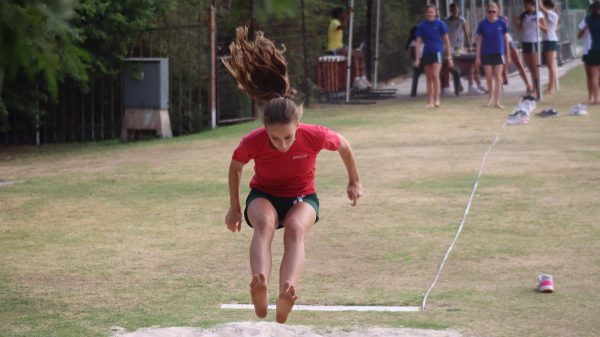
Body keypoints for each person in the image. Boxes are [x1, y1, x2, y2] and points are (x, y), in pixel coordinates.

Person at [223, 27, 363, 324]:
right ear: (265, 129)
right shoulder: (253, 141)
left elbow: (344, 146)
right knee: (265, 223)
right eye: (275, 139)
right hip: (264, 195)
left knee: (296, 228)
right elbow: (236, 168)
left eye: (288, 137)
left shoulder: (314, 135)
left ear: (298, 126)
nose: (283, 144)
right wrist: (235, 208)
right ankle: (259, 281)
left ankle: (288, 289)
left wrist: (354, 180)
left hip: (303, 197)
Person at [442, 2, 485, 95]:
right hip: (448, 46)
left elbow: (466, 33)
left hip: (458, 45)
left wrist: (469, 45)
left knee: (465, 60)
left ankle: (470, 85)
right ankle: (453, 83)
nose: (454, 11)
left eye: (456, 9)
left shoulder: (462, 20)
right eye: (452, 9)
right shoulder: (445, 21)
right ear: (450, 10)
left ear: (458, 10)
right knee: (449, 62)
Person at [414, 4, 453, 108]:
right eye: (428, 12)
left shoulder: (440, 24)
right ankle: (429, 102)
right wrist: (417, 58)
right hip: (427, 52)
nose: (430, 14)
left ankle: (437, 100)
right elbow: (418, 42)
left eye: (432, 12)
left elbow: (447, 41)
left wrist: (449, 57)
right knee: (429, 78)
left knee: (435, 75)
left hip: (438, 52)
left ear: (435, 13)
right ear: (425, 14)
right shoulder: (422, 25)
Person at [476, 2, 511, 109]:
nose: (491, 13)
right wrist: (477, 57)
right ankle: (490, 97)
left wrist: (507, 55)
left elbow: (506, 40)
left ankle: (497, 101)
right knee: (489, 77)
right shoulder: (482, 24)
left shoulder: (502, 23)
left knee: (498, 78)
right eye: (489, 11)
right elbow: (479, 41)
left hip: (498, 53)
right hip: (486, 53)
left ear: (497, 11)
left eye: (494, 11)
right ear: (486, 12)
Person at [327, 6, 371, 90]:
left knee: (359, 54)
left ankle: (362, 77)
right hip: (334, 49)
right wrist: (347, 15)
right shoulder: (334, 22)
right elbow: (343, 27)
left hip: (339, 48)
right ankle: (356, 79)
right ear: (339, 15)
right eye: (342, 14)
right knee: (354, 54)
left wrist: (346, 14)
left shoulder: (337, 22)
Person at [515, 0, 547, 97]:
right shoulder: (523, 15)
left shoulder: (539, 14)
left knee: (535, 67)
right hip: (525, 41)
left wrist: (538, 24)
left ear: (532, 4)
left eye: (526, 4)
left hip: (534, 41)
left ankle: (536, 90)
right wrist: (517, 23)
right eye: (524, 5)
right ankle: (533, 88)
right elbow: (520, 29)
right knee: (530, 67)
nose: (525, 6)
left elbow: (545, 30)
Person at [499, 13, 533, 94]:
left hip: (509, 43)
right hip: (500, 44)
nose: (492, 13)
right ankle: (500, 86)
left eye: (494, 11)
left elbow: (506, 34)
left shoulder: (502, 19)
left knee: (519, 64)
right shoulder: (492, 21)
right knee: (500, 67)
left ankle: (528, 85)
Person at [578, 2, 599, 104]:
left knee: (594, 75)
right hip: (592, 49)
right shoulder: (588, 20)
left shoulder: (587, 20)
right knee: (595, 75)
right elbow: (579, 35)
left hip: (592, 49)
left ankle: (595, 99)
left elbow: (579, 34)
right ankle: (593, 97)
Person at [539, 0, 559, 94]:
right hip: (547, 40)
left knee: (551, 65)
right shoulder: (547, 15)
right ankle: (551, 87)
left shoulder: (552, 14)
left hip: (550, 40)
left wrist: (540, 2)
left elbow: (541, 7)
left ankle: (552, 87)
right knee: (550, 65)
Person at [406, 26, 424, 97]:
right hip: (419, 63)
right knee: (416, 76)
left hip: (425, 61)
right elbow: (413, 55)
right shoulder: (413, 43)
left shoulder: (424, 41)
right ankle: (413, 92)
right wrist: (418, 60)